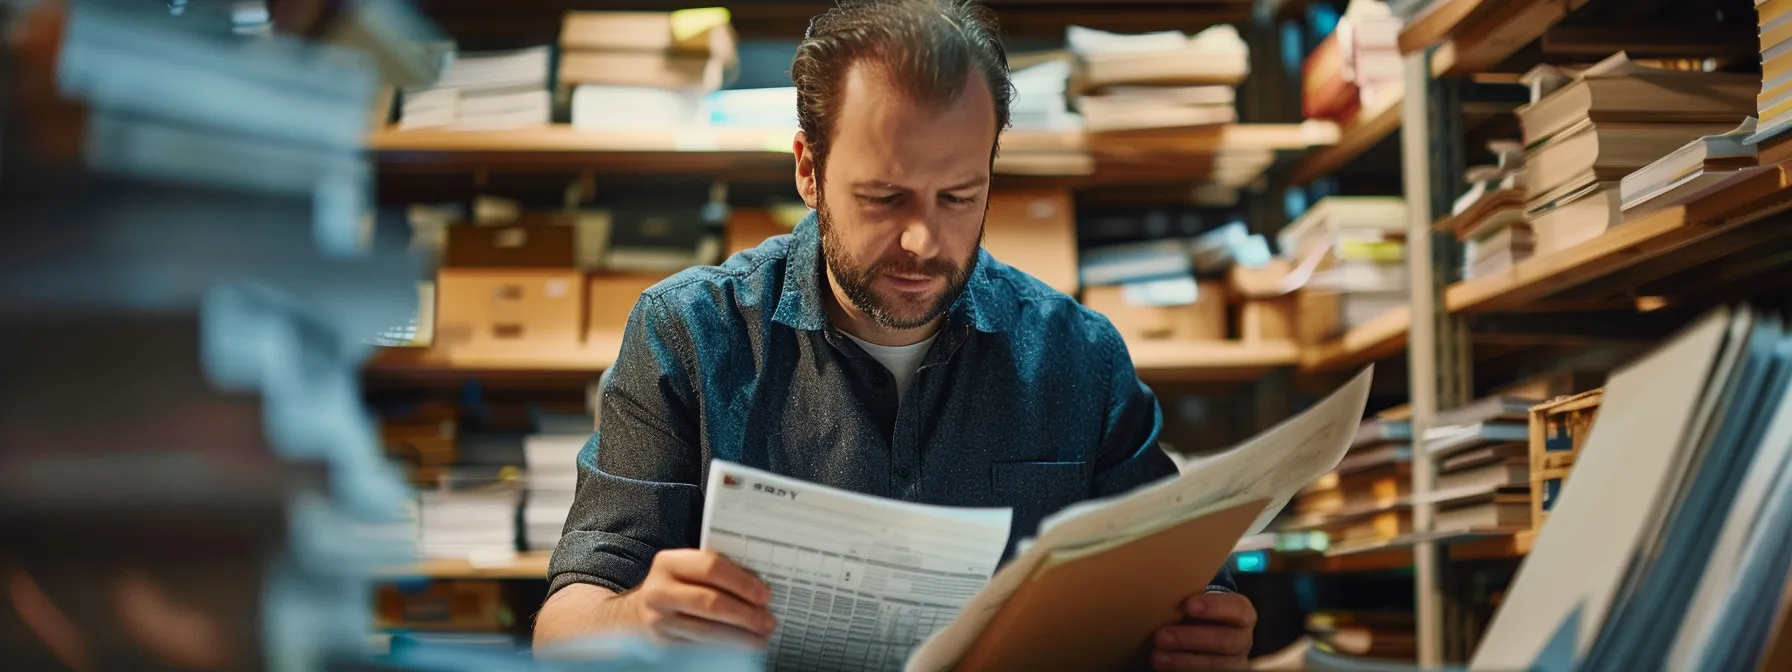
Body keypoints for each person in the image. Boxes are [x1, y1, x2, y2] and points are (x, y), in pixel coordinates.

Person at [534, 1, 1257, 669]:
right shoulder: (688, 333)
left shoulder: (1080, 358)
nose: (923, 240)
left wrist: (1205, 631)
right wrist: (638, 619)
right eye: (885, 198)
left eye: (959, 197)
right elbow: (562, 630)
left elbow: (1184, 580)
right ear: (809, 171)